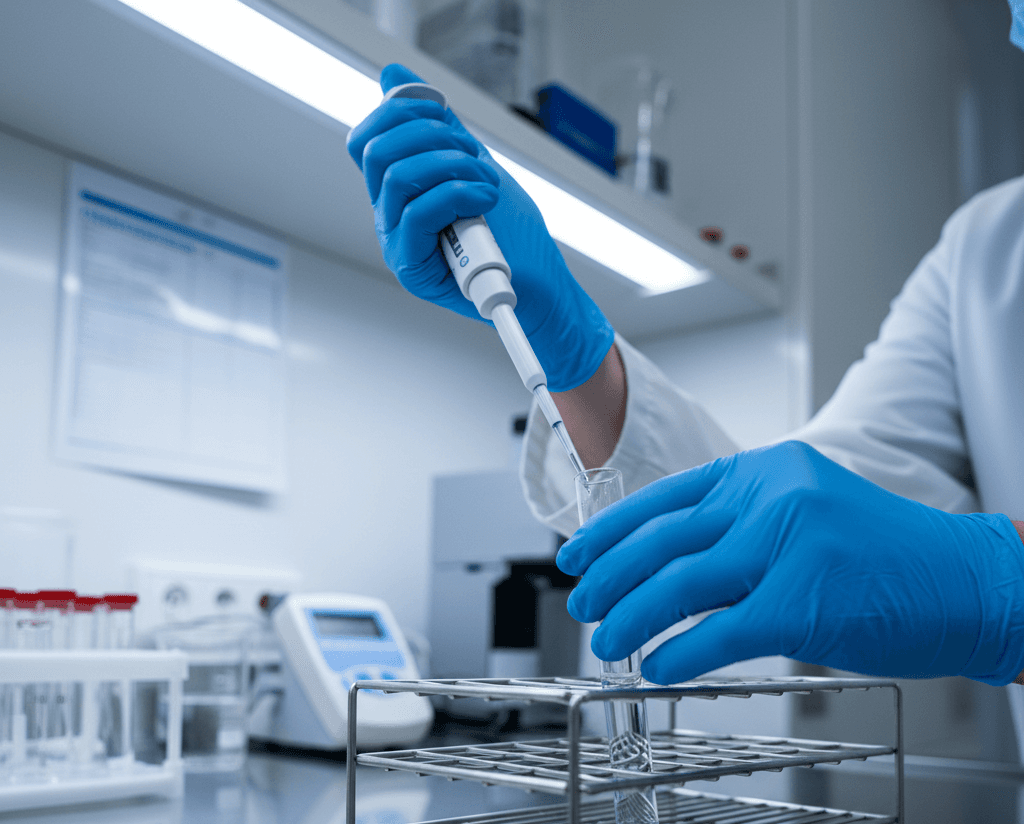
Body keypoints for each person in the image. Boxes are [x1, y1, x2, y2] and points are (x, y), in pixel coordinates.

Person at [347, 4, 1024, 703]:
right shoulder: (988, 248)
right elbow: (799, 528)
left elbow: (913, 560)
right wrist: (570, 342)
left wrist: (1005, 587)